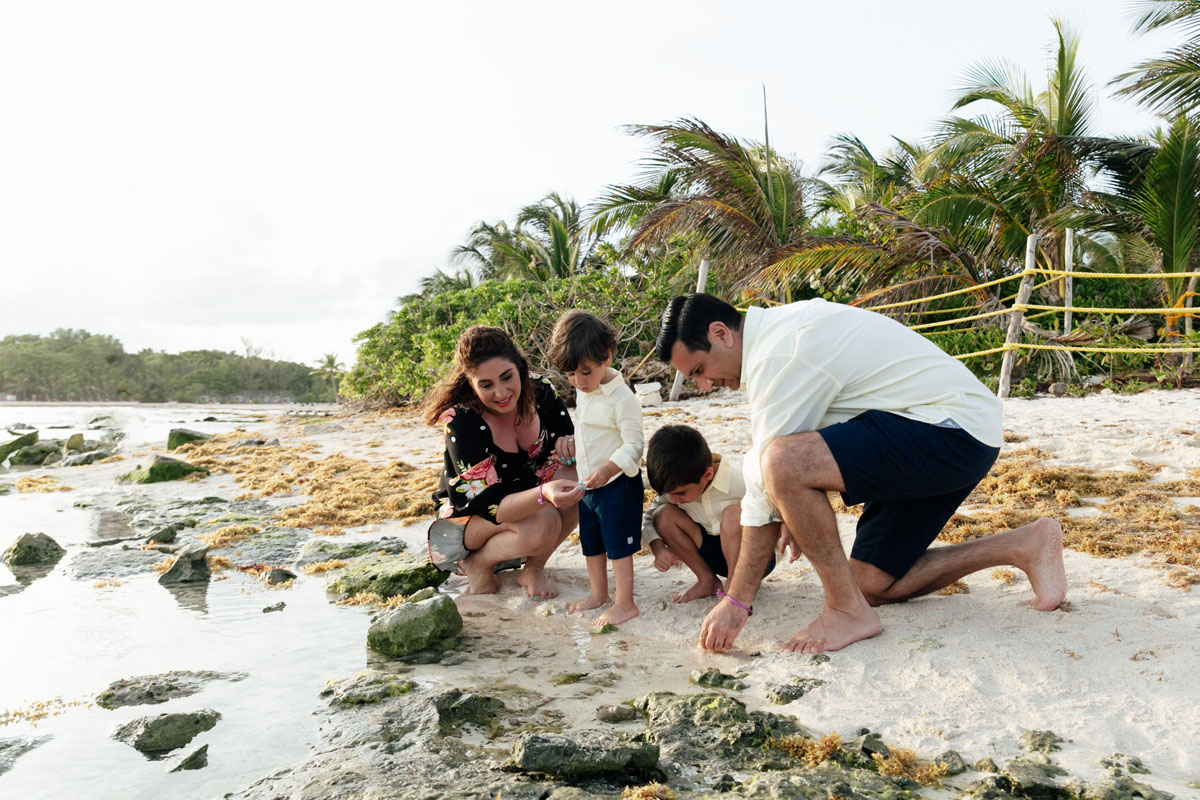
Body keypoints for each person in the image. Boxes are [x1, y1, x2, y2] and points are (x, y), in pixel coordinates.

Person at [656, 293, 1067, 654]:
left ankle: (844, 611)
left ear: (720, 333)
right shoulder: (776, 339)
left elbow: (770, 477)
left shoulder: (782, 349)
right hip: (945, 431)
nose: (706, 385)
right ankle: (1023, 546)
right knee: (871, 583)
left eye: (698, 370)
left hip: (949, 431)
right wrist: (789, 506)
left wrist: (737, 601)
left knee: (781, 463)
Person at [424, 325, 583, 600]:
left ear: (519, 367)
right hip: (472, 521)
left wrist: (570, 446)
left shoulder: (542, 393)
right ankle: (479, 562)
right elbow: (486, 503)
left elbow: (569, 448)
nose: (500, 393)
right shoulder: (461, 420)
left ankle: (533, 568)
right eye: (486, 385)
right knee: (542, 520)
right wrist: (543, 493)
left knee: (578, 477)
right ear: (471, 384)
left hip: (529, 503)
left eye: (506, 377)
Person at [547, 311, 645, 626]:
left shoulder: (623, 398)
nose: (578, 381)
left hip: (617, 483)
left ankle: (625, 603)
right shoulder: (583, 389)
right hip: (588, 483)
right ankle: (598, 594)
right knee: (592, 540)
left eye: (585, 372)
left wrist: (608, 468)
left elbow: (634, 445)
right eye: (570, 374)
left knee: (617, 544)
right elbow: (591, 430)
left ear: (607, 356)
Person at [642, 424, 779, 603]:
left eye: (680, 493)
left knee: (732, 515)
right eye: (668, 494)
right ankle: (707, 581)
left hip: (753, 558)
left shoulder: (741, 481)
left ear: (707, 474)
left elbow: (777, 508)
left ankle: (736, 586)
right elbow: (650, 517)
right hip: (710, 554)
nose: (674, 500)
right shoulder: (674, 490)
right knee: (663, 515)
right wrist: (657, 547)